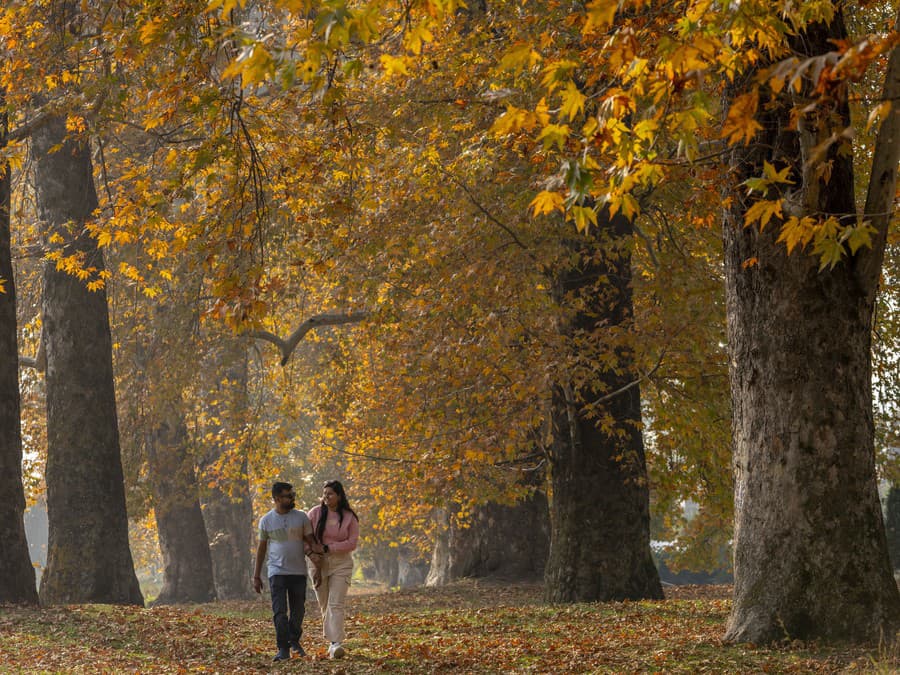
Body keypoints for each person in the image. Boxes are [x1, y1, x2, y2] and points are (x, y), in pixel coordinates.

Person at [253, 481, 324, 662]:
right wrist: (256, 575)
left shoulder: (301, 517)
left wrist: (319, 564)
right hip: (276, 572)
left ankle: (294, 640)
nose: (292, 498)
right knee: (280, 611)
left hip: (298, 572)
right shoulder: (266, 520)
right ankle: (283, 648)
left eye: (293, 495)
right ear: (277, 498)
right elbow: (261, 549)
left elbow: (311, 542)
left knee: (298, 610)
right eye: (288, 496)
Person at [306, 480, 359, 659]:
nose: (326, 497)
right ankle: (331, 642)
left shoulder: (349, 516)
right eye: (325, 493)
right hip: (318, 563)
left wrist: (329, 547)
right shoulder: (314, 513)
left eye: (330, 493)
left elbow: (352, 543)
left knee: (335, 604)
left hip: (341, 563)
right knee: (325, 604)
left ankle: (336, 643)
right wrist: (312, 553)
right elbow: (304, 537)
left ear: (339, 496)